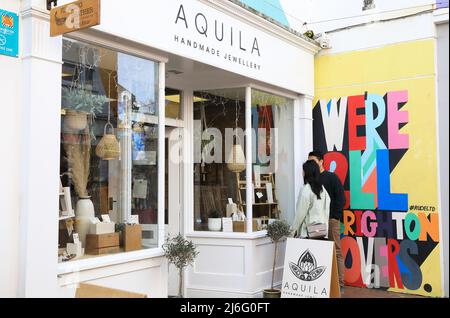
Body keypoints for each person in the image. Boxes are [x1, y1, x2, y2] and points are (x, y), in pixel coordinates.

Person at [309, 151, 346, 294]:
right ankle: (320, 283)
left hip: (331, 220)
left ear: (321, 161)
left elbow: (341, 199)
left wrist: (334, 217)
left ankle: (340, 285)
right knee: (317, 251)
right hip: (316, 222)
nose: (311, 164)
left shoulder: (331, 177)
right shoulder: (311, 180)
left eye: (313, 161)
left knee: (335, 251)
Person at [291, 160, 330, 239]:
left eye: (303, 170)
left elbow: (300, 214)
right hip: (321, 230)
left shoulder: (306, 189)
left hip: (308, 232)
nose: (302, 173)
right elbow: (326, 210)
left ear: (307, 172)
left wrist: (292, 231)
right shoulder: (322, 189)